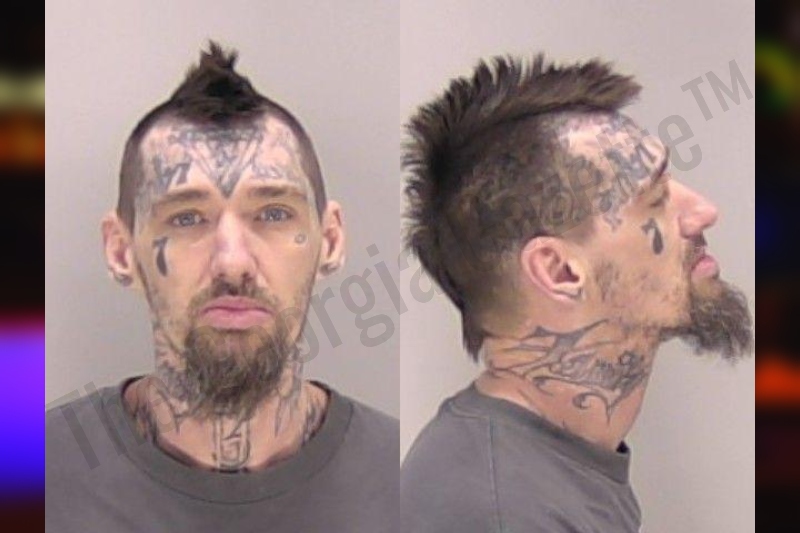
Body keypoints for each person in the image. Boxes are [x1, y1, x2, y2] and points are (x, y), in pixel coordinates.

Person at [46, 43, 398, 533]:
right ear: (121, 251)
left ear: (331, 241)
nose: (233, 263)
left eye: (273, 213)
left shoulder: (409, 483)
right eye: (187, 218)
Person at [400, 55, 754, 532]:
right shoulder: (499, 514)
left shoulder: (549, 466)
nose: (704, 211)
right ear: (560, 271)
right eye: (655, 198)